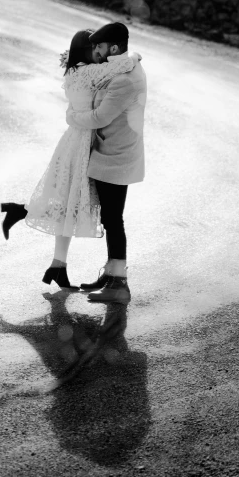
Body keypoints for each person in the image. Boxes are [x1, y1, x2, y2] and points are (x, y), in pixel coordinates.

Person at [0, 28, 139, 290]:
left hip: (74, 139)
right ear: (87, 50)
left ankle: (57, 265)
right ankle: (23, 215)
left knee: (69, 204)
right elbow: (122, 64)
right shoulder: (89, 72)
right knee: (71, 204)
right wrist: (136, 57)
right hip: (82, 143)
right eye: (94, 47)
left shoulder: (73, 71)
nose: (99, 51)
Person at [65, 21, 147, 305]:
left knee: (114, 220)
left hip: (116, 155)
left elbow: (100, 117)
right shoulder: (125, 66)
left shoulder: (123, 79)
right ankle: (111, 275)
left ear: (112, 48)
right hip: (115, 152)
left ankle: (119, 284)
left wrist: (72, 119)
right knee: (112, 219)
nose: (95, 52)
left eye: (98, 47)